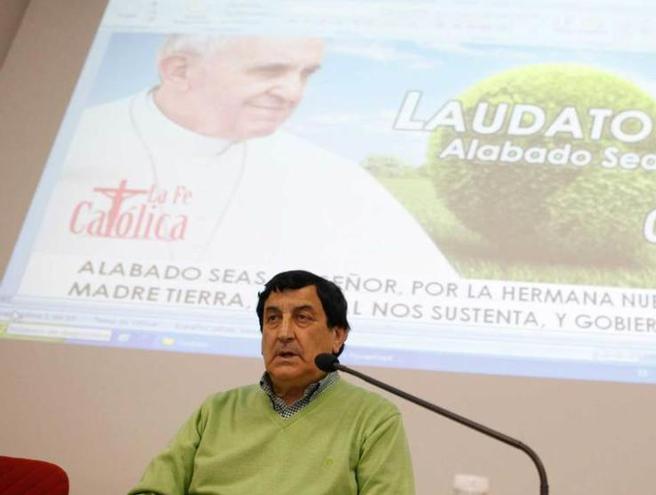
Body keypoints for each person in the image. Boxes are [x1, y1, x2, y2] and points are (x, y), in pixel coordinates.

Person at [23, 34, 456, 298]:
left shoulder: (332, 178)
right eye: (270, 71)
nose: (291, 92)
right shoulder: (64, 149)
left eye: (306, 74)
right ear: (178, 71)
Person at [129, 270, 416, 494]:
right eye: (273, 319)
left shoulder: (374, 418)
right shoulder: (216, 410)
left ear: (337, 336)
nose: (284, 333)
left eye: (302, 318)